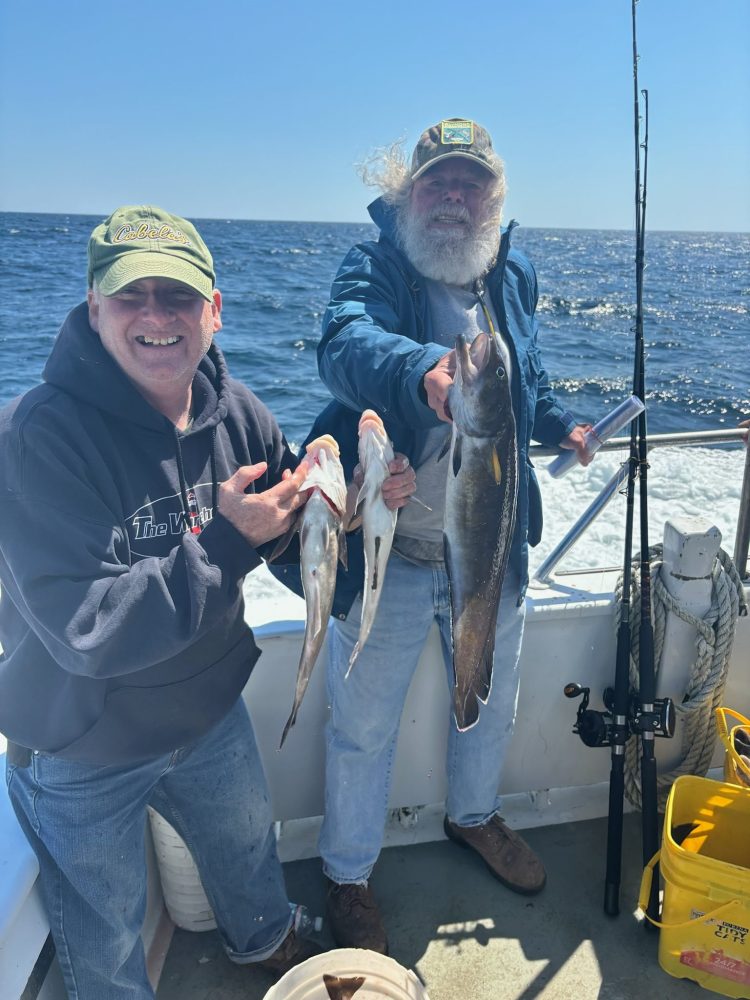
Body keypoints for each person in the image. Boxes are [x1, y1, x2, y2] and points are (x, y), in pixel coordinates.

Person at [0, 205, 414, 999]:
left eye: (179, 297)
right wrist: (227, 541)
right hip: (82, 745)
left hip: (207, 712)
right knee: (107, 933)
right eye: (131, 295)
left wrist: (352, 509)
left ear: (214, 312)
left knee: (248, 857)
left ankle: (263, 938)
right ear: (94, 306)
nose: (157, 315)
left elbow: (297, 546)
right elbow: (87, 632)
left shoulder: (242, 413)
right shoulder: (35, 439)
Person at [296, 118, 593, 953]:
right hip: (391, 547)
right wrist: (420, 371)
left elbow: (523, 380)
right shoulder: (375, 262)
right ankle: (348, 875)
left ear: (493, 196)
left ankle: (474, 818)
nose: (454, 199)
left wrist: (563, 425)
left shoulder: (513, 270)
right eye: (437, 183)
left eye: (470, 184)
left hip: (493, 540)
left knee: (490, 702)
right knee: (363, 724)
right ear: (407, 194)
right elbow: (345, 342)